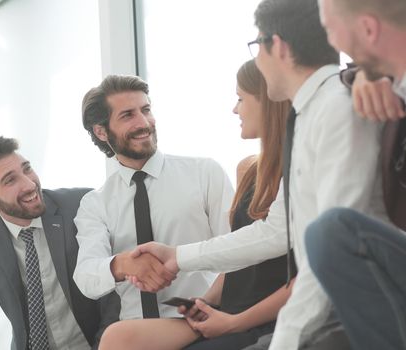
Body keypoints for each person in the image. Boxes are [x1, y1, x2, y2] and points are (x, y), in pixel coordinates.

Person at [130, 0, 388, 349]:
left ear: (277, 46)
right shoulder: (311, 114)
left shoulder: (336, 110)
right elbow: (276, 231)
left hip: (356, 312)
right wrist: (179, 257)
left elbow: (329, 255)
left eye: (257, 48)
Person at [97, 60, 295, 350]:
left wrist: (232, 321)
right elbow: (234, 257)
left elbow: (302, 274)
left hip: (259, 314)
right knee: (117, 337)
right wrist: (204, 302)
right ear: (102, 131)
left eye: (240, 98)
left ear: (269, 102)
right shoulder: (248, 169)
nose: (234, 109)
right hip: (226, 307)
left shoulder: (297, 170)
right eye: (127, 115)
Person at [73, 75, 234, 324]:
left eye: (146, 110)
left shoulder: (205, 173)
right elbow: (85, 277)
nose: (144, 123)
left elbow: (236, 252)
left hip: (205, 321)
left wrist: (206, 304)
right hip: (138, 335)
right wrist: (123, 264)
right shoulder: (95, 204)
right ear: (101, 131)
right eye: (127, 115)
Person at [304, 1, 406, 349]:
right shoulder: (390, 90)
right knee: (323, 341)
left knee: (332, 232)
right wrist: (365, 73)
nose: (332, 44)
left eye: (330, 30)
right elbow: (351, 71)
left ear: (368, 29)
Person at [0, 136, 101, 350]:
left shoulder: (80, 205)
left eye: (27, 169)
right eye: (10, 180)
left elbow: (116, 292)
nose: (30, 184)